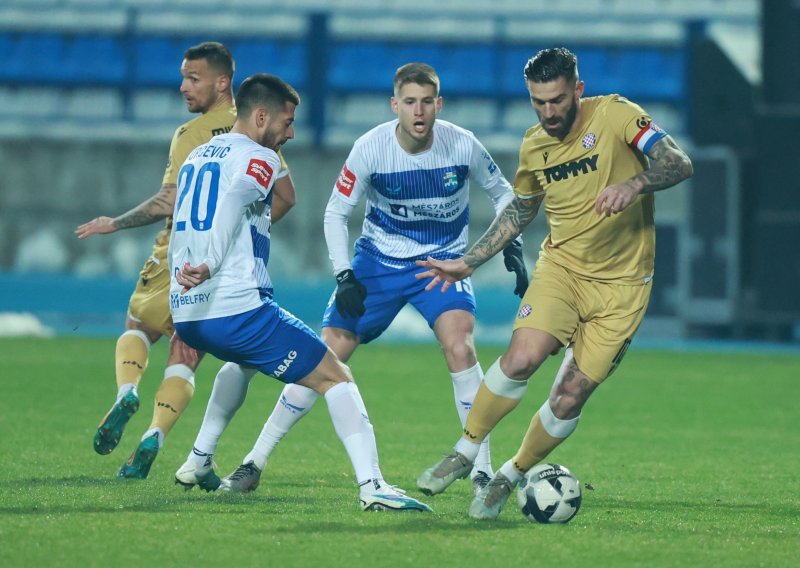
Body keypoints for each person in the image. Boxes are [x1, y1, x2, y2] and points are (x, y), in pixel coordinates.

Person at [216, 62, 528, 496]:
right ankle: (255, 460)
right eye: (409, 103)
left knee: (461, 345)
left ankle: (479, 468)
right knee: (325, 355)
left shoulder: (464, 146)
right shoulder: (371, 148)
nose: (418, 112)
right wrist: (344, 274)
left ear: (438, 105)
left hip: (440, 264)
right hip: (378, 262)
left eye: (426, 103)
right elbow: (335, 212)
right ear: (394, 105)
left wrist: (506, 244)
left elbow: (504, 194)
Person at [414, 47, 693, 519]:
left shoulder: (619, 115)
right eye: (538, 102)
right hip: (562, 270)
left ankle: (509, 475)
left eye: (557, 101)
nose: (548, 112)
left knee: (569, 395)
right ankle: (464, 452)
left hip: (623, 288)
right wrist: (471, 260)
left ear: (577, 91)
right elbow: (523, 208)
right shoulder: (533, 145)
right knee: (521, 357)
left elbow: (679, 162)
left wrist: (634, 185)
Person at [168, 73, 431, 512]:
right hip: (235, 306)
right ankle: (373, 487)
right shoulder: (259, 157)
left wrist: (189, 272)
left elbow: (185, 216)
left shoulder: (197, 155)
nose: (290, 133)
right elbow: (234, 199)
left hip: (189, 311)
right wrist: (212, 262)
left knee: (243, 362)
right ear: (261, 115)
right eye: (287, 122)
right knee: (336, 376)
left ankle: (198, 459)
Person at [75, 41, 296, 479]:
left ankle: (127, 391)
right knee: (187, 353)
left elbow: (167, 201)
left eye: (192, 78)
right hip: (225, 274)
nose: (182, 87)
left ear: (222, 82)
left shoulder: (192, 137)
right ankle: (156, 433)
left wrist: (116, 223)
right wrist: (237, 237)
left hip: (178, 256)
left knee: (139, 325)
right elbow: (286, 197)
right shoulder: (258, 133)